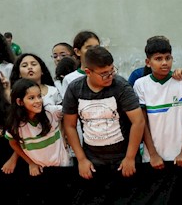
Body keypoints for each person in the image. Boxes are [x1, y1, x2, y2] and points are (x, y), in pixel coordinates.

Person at [62, 46, 144, 179]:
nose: (110, 76)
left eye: (112, 70)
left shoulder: (121, 86)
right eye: (104, 74)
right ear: (88, 72)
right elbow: (69, 126)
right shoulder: (75, 89)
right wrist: (82, 159)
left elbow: (138, 121)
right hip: (92, 160)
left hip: (123, 157)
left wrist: (130, 157)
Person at [133, 37, 182, 170]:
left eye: (168, 58)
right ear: (148, 62)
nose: (164, 62)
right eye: (158, 59)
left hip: (181, 157)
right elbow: (142, 122)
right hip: (153, 159)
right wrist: (153, 154)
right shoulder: (141, 84)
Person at [5, 79, 71, 176]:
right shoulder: (15, 125)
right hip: (39, 171)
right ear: (20, 101)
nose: (38, 101)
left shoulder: (51, 112)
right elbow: (13, 143)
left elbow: (71, 110)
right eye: (31, 98)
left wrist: (65, 133)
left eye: (39, 96)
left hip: (62, 166)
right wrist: (30, 163)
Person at [60, 30, 100, 97]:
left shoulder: (107, 75)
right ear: (77, 51)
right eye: (88, 47)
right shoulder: (69, 79)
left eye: (97, 47)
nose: (94, 51)